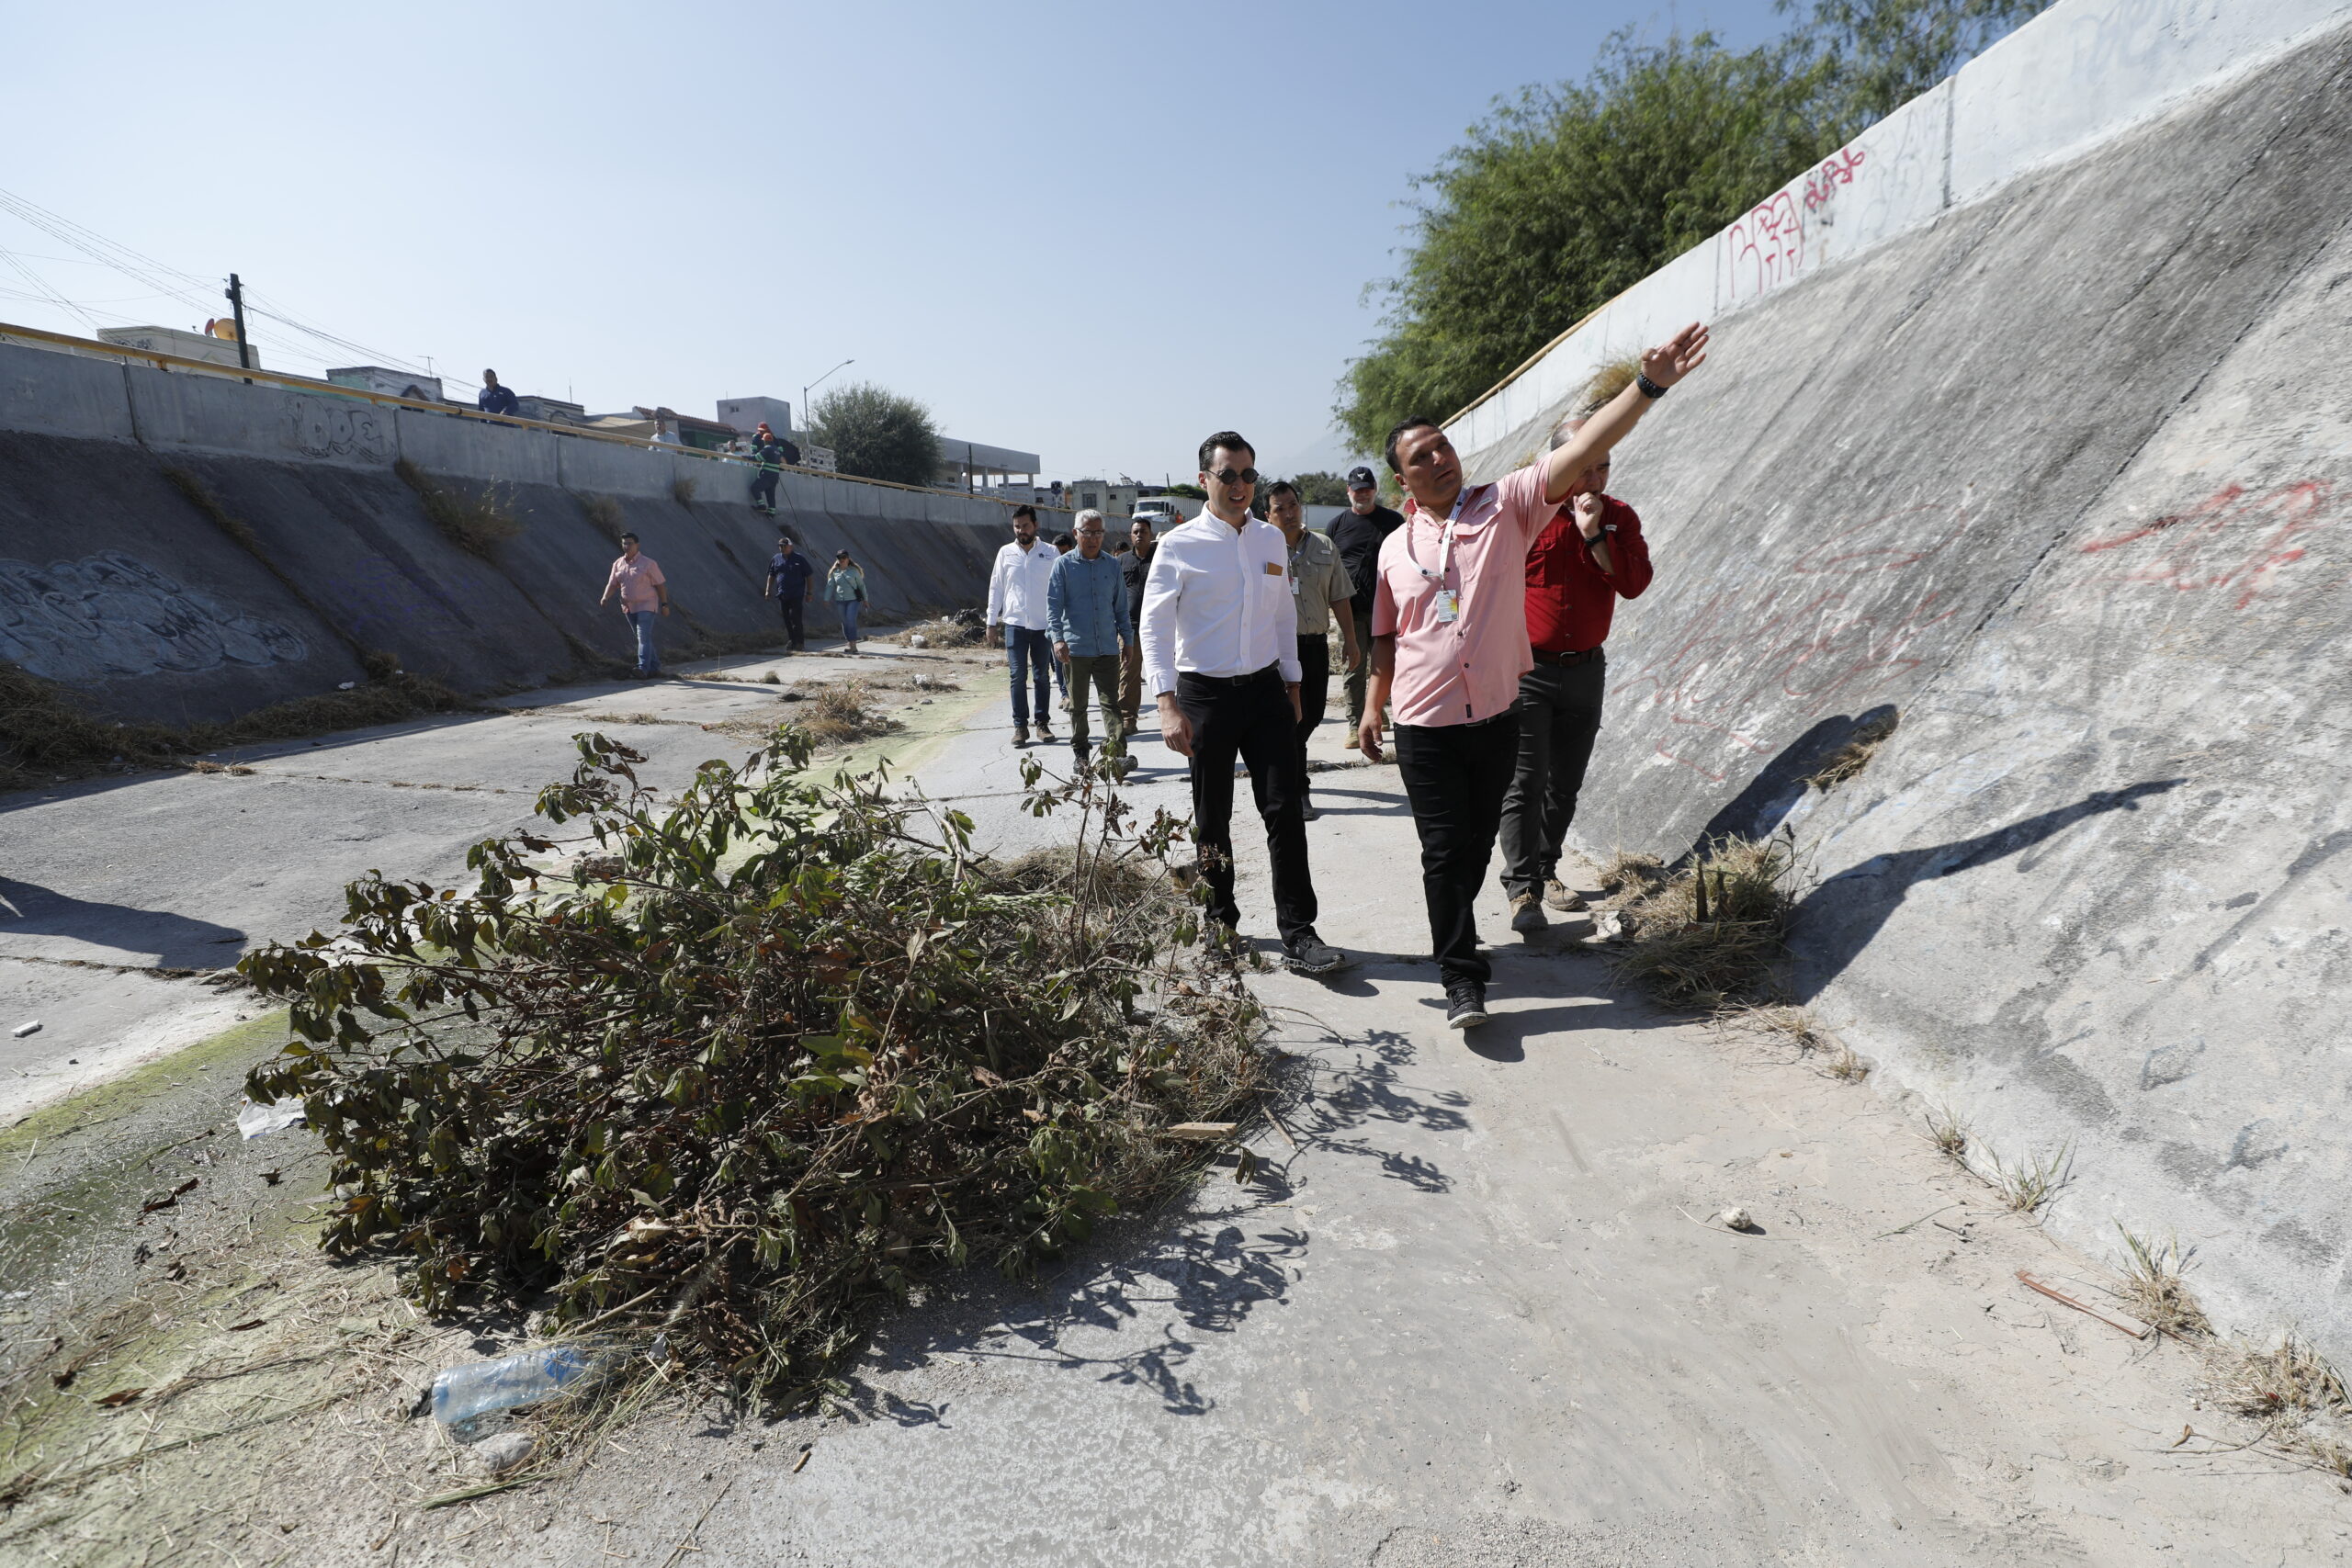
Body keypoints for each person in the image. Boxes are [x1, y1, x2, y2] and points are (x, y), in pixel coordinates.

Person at [1359, 323, 1708, 1028]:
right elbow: (1384, 633)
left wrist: (1646, 388)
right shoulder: (1396, 545)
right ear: (1405, 479)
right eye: (1422, 456)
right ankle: (1462, 973)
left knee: (1477, 841)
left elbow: (1580, 446)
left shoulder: (1508, 504)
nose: (1440, 458)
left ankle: (1468, 916)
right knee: (1441, 849)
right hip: (1423, 725)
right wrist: (1374, 704)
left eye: (1444, 445)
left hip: (1494, 716)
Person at [1141, 431, 1348, 976]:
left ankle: (1300, 932)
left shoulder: (1269, 541)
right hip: (1203, 695)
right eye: (1228, 475)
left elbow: (1282, 615)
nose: (1240, 486)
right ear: (1205, 479)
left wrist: (1294, 682)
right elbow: (1154, 628)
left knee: (1284, 808)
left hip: (1265, 692)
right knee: (1214, 817)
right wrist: (1166, 703)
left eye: (1248, 475)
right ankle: (1220, 921)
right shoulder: (1178, 546)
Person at [1498, 414, 1654, 931]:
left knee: (1564, 785)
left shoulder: (1619, 519)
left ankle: (1545, 869)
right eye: (1583, 469)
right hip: (1528, 670)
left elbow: (1633, 583)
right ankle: (1523, 891)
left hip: (1586, 671)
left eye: (1602, 469)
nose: (1593, 482)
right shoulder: (1524, 518)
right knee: (1525, 781)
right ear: (1555, 465)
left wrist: (1594, 537)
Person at [1265, 480, 1357, 820]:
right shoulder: (1262, 549)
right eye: (1280, 508)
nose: (1289, 513)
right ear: (1267, 515)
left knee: (1313, 714)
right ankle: (1296, 788)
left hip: (1315, 645)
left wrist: (1350, 638)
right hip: (1277, 651)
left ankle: (1285, 770)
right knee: (1290, 718)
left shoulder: (1323, 545)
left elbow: (1339, 596)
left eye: (1293, 505)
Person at [1046, 510, 1130, 773]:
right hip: (1075, 650)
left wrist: (1127, 640)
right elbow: (1053, 606)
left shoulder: (1112, 565)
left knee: (1110, 703)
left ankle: (1116, 754)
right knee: (1078, 704)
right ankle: (1081, 753)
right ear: (1076, 534)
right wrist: (1057, 639)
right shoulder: (1063, 565)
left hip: (1106, 646)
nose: (1093, 538)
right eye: (1087, 532)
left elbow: (1120, 608)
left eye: (1098, 533)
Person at [1328, 465, 1404, 748]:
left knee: (1388, 667)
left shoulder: (1393, 521)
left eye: (1367, 489)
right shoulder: (1336, 525)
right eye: (1357, 490)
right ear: (1349, 492)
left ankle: (1380, 711)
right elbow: (1331, 568)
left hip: (1388, 609)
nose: (1363, 494)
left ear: (1375, 490)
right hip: (1350, 611)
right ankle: (1353, 724)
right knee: (1353, 669)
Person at [986, 505, 1059, 746]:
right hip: (1015, 624)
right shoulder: (1005, 553)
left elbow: (1060, 588)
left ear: (1035, 525)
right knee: (1017, 675)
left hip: (1042, 625)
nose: (1021, 530)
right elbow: (996, 587)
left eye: (1025, 526)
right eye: (1017, 526)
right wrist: (991, 621)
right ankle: (1020, 726)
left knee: (1041, 676)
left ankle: (1042, 724)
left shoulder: (1051, 552)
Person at [598, 530, 670, 678]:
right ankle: (655, 667)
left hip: (647, 604)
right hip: (628, 607)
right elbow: (612, 584)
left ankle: (642, 668)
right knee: (643, 637)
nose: (626, 546)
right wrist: (605, 597)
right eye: (624, 543)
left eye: (630, 543)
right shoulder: (618, 564)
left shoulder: (648, 563)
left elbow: (660, 585)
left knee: (643, 636)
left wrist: (664, 604)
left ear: (637, 545)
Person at [1117, 514, 1157, 727]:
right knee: (1128, 673)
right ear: (1131, 536)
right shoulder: (1122, 561)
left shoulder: (1161, 557)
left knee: (1167, 671)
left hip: (1159, 626)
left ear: (1150, 535)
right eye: (1136, 532)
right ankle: (1127, 718)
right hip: (1129, 627)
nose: (1140, 535)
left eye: (1144, 531)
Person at [764, 532, 816, 651]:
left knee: (795, 618)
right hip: (782, 594)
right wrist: (767, 590)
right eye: (780, 546)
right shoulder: (776, 559)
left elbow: (809, 576)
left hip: (796, 594)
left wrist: (809, 593)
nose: (782, 548)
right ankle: (792, 641)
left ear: (791, 547)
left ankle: (800, 642)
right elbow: (771, 575)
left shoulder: (800, 559)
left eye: (784, 546)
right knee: (787, 619)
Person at [748, 422, 798, 515]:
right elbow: (780, 455)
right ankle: (771, 513)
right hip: (775, 475)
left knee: (755, 488)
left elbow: (756, 457)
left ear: (765, 440)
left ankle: (762, 506)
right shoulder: (775, 447)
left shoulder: (767, 448)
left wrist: (746, 457)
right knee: (770, 494)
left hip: (767, 473)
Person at [825, 550, 866, 653]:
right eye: (839, 558)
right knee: (845, 622)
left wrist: (866, 599)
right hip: (840, 600)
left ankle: (853, 645)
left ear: (848, 558)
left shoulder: (854, 571)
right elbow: (830, 586)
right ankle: (849, 642)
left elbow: (861, 586)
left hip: (853, 600)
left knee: (850, 620)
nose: (842, 560)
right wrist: (826, 599)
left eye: (844, 557)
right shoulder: (835, 572)